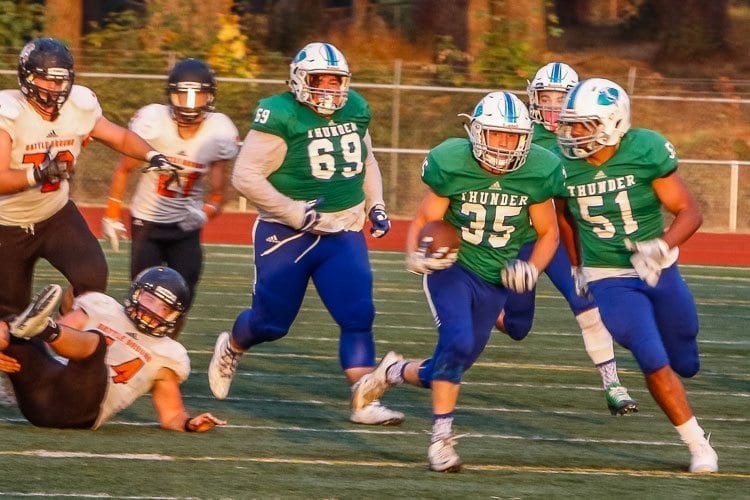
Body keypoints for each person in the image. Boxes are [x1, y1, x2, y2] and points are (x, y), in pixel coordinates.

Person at [352, 91, 563, 472]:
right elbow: (425, 219)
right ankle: (441, 439)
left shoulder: (539, 170)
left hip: (496, 276)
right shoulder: (452, 161)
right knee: (458, 342)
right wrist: (416, 253)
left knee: (452, 363)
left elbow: (549, 233)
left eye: (512, 136)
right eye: (496, 134)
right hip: (453, 267)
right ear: (477, 133)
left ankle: (392, 372)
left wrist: (532, 268)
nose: (503, 145)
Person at [206, 42, 399, 426]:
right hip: (287, 233)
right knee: (271, 324)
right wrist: (294, 211)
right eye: (319, 79)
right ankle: (232, 345)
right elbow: (244, 176)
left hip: (342, 230)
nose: (328, 88)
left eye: (335, 80)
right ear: (299, 80)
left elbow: (366, 160)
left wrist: (375, 204)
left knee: (358, 314)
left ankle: (364, 400)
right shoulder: (281, 114)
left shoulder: (356, 108)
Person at [554, 77, 717, 473]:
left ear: (613, 122)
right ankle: (697, 444)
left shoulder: (645, 149)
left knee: (686, 358)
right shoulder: (561, 166)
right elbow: (564, 217)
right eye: (571, 125)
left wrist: (661, 245)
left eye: (584, 124)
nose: (573, 134)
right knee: (650, 355)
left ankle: (681, 366)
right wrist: (578, 265)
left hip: (658, 267)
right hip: (608, 275)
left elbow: (689, 211)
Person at [0, 37, 180, 320]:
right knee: (11, 318)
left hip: (55, 214)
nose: (53, 88)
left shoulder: (78, 105)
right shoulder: (9, 112)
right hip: (8, 224)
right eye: (45, 79)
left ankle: (67, 327)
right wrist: (38, 173)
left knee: (92, 280)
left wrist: (152, 155)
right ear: (27, 78)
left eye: (60, 80)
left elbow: (120, 137)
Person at [495, 62, 638, 416]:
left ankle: (613, 384)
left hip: (557, 237)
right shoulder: (519, 130)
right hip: (520, 238)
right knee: (517, 327)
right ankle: (488, 311)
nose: (553, 107)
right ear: (533, 98)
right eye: (546, 98)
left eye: (561, 99)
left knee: (585, 301)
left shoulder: (585, 134)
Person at [0, 266, 225, 432]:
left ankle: (42, 326)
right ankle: (36, 328)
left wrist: (189, 423)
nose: (153, 310)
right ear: (137, 293)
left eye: (164, 308)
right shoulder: (102, 306)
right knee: (10, 328)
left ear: (173, 317)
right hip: (40, 396)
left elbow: (172, 415)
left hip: (79, 410)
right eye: (149, 299)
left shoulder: (168, 353)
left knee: (96, 343)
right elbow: (60, 339)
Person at [101, 58, 239, 306]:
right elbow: (124, 169)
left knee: (181, 299)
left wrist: (204, 214)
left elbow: (218, 195)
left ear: (209, 97)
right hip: (147, 223)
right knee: (142, 297)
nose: (189, 105)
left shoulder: (218, 132)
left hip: (185, 227)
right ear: (171, 95)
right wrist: (111, 214)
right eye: (182, 95)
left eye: (197, 96)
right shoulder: (154, 123)